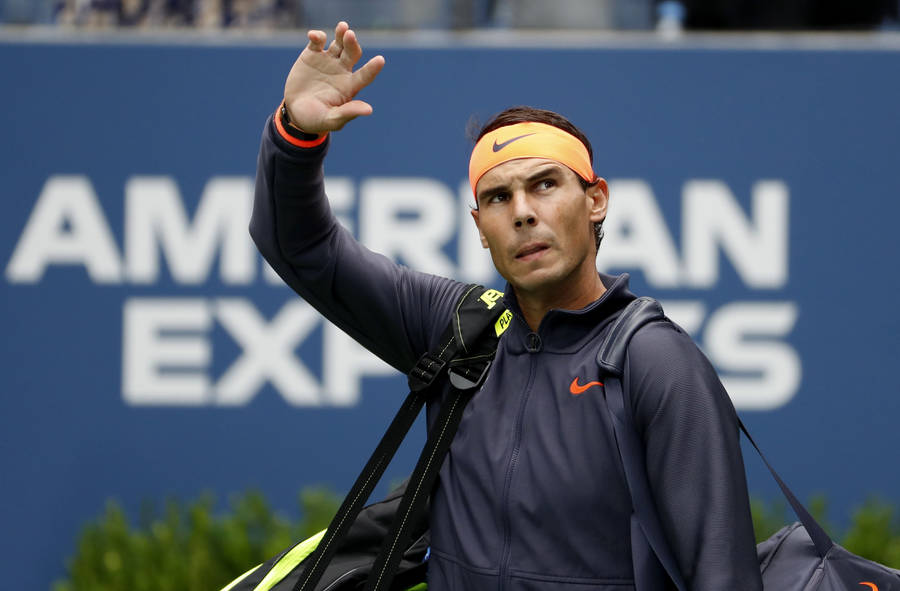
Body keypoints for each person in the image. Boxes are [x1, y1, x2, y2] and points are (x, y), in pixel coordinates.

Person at [250, 21, 763, 590]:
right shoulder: (459, 329)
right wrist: (295, 132)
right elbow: (302, 247)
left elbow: (722, 574)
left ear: (595, 200)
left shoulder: (655, 361)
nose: (522, 212)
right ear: (479, 226)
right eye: (498, 197)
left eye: (545, 185)